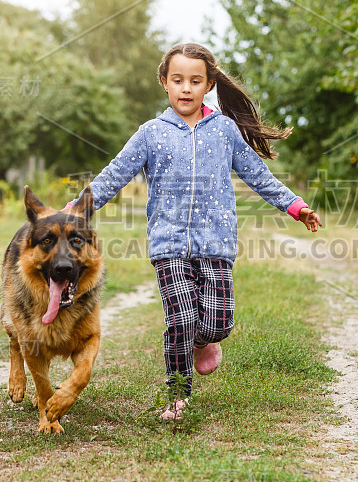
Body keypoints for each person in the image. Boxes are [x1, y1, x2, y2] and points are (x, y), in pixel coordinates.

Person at [65, 43, 321, 421]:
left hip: (216, 243)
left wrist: (296, 206)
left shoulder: (225, 131)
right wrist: (77, 208)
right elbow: (114, 174)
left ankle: (205, 342)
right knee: (180, 318)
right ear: (165, 84)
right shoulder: (150, 133)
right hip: (168, 244)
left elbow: (258, 175)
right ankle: (178, 397)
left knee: (217, 321)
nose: (186, 88)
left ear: (208, 85)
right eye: (178, 80)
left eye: (195, 81)